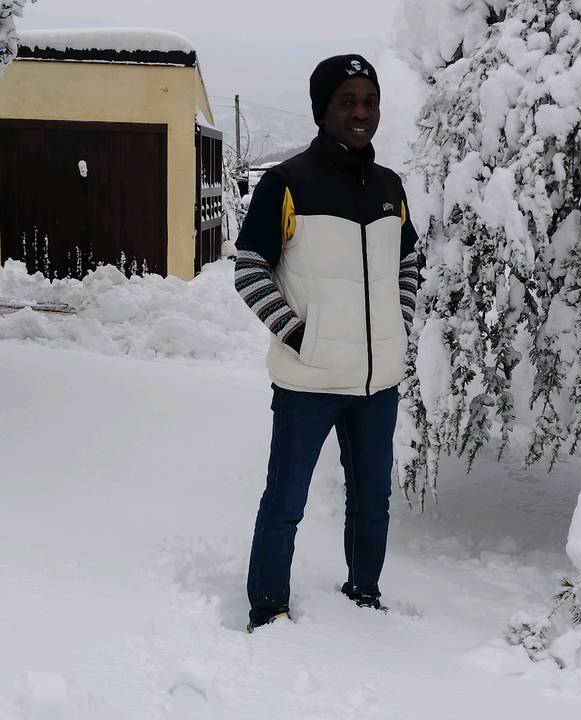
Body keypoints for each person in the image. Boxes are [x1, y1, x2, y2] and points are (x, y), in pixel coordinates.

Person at [234, 54, 419, 632]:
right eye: (347, 101)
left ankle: (364, 597)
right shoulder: (287, 183)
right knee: (285, 502)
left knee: (372, 502)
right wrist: (299, 336)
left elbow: (409, 262)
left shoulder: (390, 187)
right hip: (308, 381)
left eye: (370, 101)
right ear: (322, 109)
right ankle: (268, 609)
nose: (361, 113)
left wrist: (399, 322)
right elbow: (249, 270)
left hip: (376, 383)